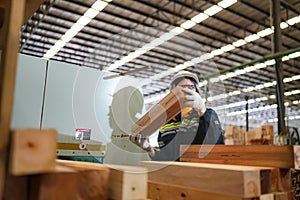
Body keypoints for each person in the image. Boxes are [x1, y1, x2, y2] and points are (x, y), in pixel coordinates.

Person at [130, 70, 224, 161]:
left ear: (197, 92)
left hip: (201, 172)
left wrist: (202, 110)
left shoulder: (208, 115)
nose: (187, 91)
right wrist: (148, 149)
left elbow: (217, 147)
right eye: (182, 88)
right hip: (175, 173)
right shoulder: (166, 122)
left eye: (191, 88)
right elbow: (167, 156)